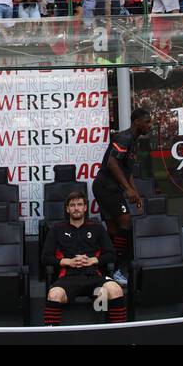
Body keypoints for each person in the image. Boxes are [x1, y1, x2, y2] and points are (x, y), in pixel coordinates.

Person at [41, 191, 126, 326]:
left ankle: (118, 333)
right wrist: (68, 262)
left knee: (115, 290)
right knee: (54, 295)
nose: (76, 208)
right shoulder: (57, 229)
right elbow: (45, 258)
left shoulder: (96, 227)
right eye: (72, 205)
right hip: (68, 278)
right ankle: (52, 336)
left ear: (85, 208)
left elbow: (111, 254)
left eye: (80, 204)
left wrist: (93, 260)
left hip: (94, 278)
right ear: (67, 209)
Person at [91, 107, 152, 283]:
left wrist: (136, 193)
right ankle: (116, 267)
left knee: (113, 229)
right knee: (126, 222)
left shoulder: (134, 141)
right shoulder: (123, 137)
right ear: (136, 122)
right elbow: (112, 163)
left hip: (111, 188)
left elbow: (128, 172)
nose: (150, 125)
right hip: (105, 187)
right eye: (147, 122)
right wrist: (127, 189)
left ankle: (104, 265)